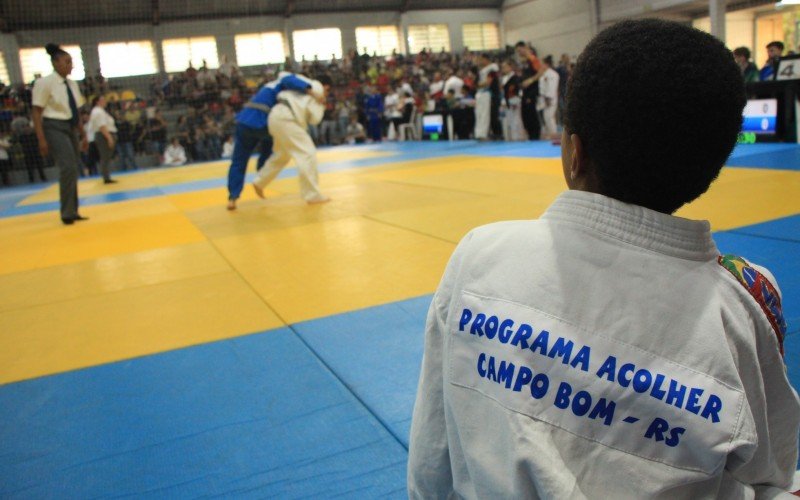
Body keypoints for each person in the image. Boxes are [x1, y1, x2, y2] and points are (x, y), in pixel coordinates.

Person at [408, 19, 799, 498]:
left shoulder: (481, 255)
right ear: (712, 166)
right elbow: (771, 471)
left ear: (575, 152)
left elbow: (433, 455)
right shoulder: (742, 305)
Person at [224, 71, 316, 211]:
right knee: (276, 148)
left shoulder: (269, 86)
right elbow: (289, 79)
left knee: (239, 160)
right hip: (263, 122)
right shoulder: (284, 81)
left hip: (244, 121)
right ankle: (261, 178)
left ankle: (233, 197)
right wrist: (310, 91)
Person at [31, 43, 88, 225]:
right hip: (53, 127)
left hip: (70, 127)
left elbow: (76, 112)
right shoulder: (44, 83)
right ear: (55, 63)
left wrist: (83, 134)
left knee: (74, 167)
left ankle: (73, 209)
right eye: (67, 61)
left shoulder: (72, 84)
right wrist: (41, 139)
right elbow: (37, 112)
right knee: (67, 167)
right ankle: (67, 212)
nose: (71, 65)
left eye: (71, 62)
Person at [251, 77, 331, 204]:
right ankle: (312, 195)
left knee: (282, 154)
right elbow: (314, 120)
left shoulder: (303, 84)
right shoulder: (318, 90)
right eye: (328, 91)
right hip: (288, 119)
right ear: (326, 87)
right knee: (307, 153)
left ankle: (260, 181)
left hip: (275, 116)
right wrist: (322, 105)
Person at [516, 41, 546, 141]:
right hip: (525, 91)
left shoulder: (533, 59)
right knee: (525, 113)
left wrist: (531, 80)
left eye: (519, 50)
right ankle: (530, 135)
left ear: (524, 48)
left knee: (531, 113)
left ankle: (535, 135)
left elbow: (541, 71)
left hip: (532, 90)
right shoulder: (524, 62)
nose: (519, 53)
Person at [87, 96, 118, 184]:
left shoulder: (100, 111)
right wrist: (109, 138)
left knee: (106, 156)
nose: (105, 101)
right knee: (105, 156)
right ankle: (106, 177)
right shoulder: (98, 112)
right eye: (103, 100)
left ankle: (106, 176)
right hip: (103, 135)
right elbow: (102, 126)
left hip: (105, 134)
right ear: (97, 102)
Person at [474, 53, 500, 141]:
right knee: (479, 114)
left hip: (488, 93)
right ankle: (480, 133)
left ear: (486, 59)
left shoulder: (492, 67)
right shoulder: (482, 70)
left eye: (481, 59)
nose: (479, 61)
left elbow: (488, 82)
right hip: (480, 93)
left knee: (487, 115)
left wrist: (478, 85)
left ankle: (488, 134)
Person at [537, 55, 560, 140]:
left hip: (550, 99)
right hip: (543, 99)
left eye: (541, 63)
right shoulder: (544, 73)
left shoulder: (552, 74)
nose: (540, 65)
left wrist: (548, 98)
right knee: (546, 117)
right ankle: (550, 135)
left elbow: (552, 87)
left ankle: (554, 135)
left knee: (549, 117)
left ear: (546, 64)